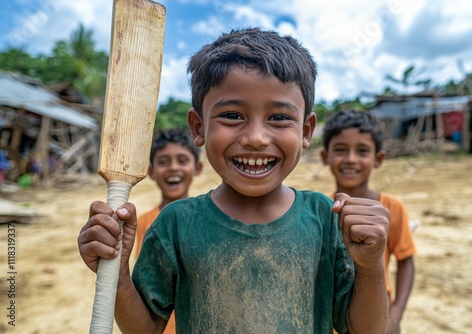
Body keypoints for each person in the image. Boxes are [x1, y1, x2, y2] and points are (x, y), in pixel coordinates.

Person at [78, 27, 390, 334]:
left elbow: (365, 329)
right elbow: (145, 329)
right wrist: (116, 274)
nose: (255, 138)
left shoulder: (324, 217)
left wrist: (371, 265)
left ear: (306, 131)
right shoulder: (176, 224)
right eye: (232, 116)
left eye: (279, 117)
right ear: (198, 127)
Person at [320, 110, 416, 334]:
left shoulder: (391, 209)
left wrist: (396, 315)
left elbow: (406, 261)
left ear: (378, 158)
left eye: (362, 151)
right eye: (341, 150)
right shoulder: (322, 210)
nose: (351, 159)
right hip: (331, 317)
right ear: (325, 156)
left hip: (378, 314)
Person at [133, 127, 203, 334]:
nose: (173, 168)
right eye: (163, 162)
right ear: (151, 171)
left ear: (197, 167)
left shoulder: (206, 218)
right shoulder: (144, 223)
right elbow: (146, 284)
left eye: (182, 160)